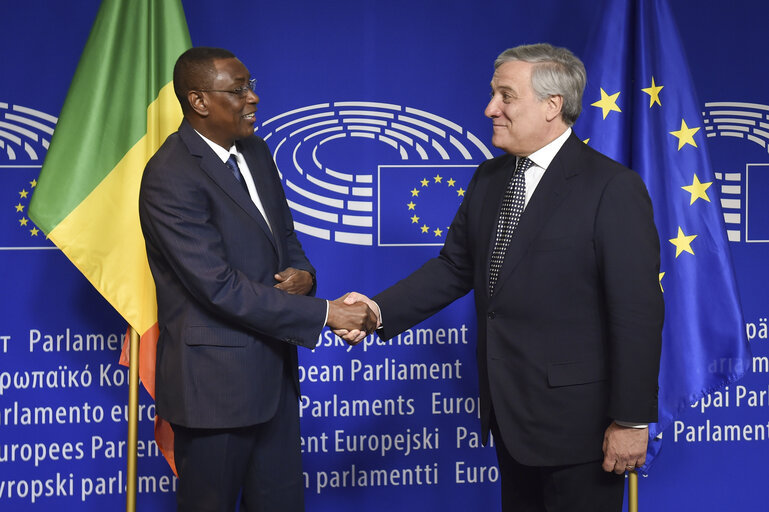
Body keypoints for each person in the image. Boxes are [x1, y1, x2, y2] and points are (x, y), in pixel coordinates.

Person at [340, 43, 663, 511]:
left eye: (505, 96)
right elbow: (453, 267)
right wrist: (376, 311)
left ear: (553, 105)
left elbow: (636, 312)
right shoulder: (490, 178)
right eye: (494, 95)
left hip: (582, 428)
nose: (490, 108)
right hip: (510, 418)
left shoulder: (611, 188)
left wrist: (631, 420)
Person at [139, 47, 377, 512]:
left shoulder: (255, 150)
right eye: (239, 89)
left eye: (251, 84)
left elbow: (284, 237)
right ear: (199, 100)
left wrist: (305, 275)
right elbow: (217, 287)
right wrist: (326, 313)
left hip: (274, 381)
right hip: (213, 392)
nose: (254, 98)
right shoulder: (169, 175)